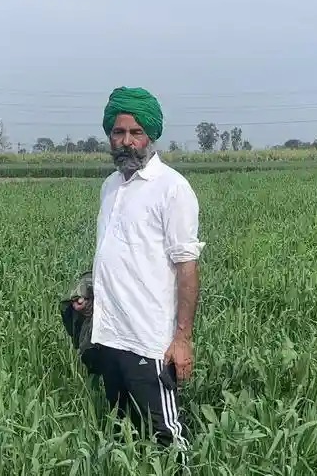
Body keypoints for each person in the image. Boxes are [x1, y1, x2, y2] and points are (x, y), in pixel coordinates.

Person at [72, 85, 205, 465]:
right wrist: (91, 294)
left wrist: (181, 340)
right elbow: (114, 255)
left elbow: (186, 267)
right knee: (120, 432)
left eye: (135, 132)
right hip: (109, 336)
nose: (126, 141)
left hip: (148, 341)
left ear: (150, 135)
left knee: (167, 438)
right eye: (118, 132)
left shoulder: (172, 189)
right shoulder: (110, 187)